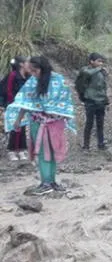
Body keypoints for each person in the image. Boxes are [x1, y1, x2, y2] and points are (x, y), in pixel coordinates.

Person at [3, 56, 76, 195]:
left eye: (35, 70)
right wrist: (18, 119)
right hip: (37, 122)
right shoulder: (32, 81)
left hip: (55, 123)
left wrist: (54, 111)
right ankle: (46, 182)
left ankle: (52, 181)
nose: (32, 73)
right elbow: (25, 100)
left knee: (53, 152)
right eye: (31, 71)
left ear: (43, 68)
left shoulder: (58, 80)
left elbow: (65, 100)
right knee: (42, 152)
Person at [76, 52, 109, 150]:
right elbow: (87, 74)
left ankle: (101, 144)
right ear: (91, 61)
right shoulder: (85, 70)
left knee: (100, 123)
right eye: (98, 61)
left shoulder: (100, 72)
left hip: (101, 101)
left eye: (101, 61)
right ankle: (86, 145)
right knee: (89, 123)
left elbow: (103, 86)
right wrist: (100, 69)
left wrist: (106, 100)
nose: (101, 63)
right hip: (90, 100)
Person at [0, 56, 30, 161]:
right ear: (21, 64)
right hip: (13, 105)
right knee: (14, 128)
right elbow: (8, 90)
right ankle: (12, 151)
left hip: (24, 105)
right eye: (27, 62)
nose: (29, 65)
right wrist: (13, 102)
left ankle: (21, 149)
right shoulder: (13, 75)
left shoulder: (27, 76)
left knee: (22, 127)